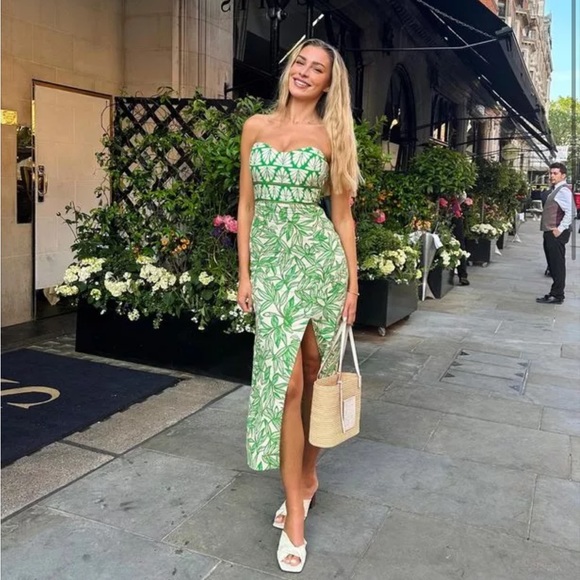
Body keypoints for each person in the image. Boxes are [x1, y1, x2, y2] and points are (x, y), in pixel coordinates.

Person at [236, 39, 360, 573]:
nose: (305, 72)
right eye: (300, 63)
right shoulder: (255, 127)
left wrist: (353, 285)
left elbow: (343, 217)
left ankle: (307, 477)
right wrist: (243, 273)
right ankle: (294, 514)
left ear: (329, 84)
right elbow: (245, 205)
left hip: (320, 264)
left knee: (317, 374)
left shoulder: (333, 137)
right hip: (270, 267)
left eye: (318, 69)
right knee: (285, 384)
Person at [536, 162, 574, 304]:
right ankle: (555, 292)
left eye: (555, 173)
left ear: (563, 175)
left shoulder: (563, 190)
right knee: (553, 263)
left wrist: (560, 229)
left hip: (556, 232)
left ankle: (557, 295)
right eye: (550, 173)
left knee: (557, 264)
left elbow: (571, 212)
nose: (551, 176)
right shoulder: (556, 189)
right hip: (550, 231)